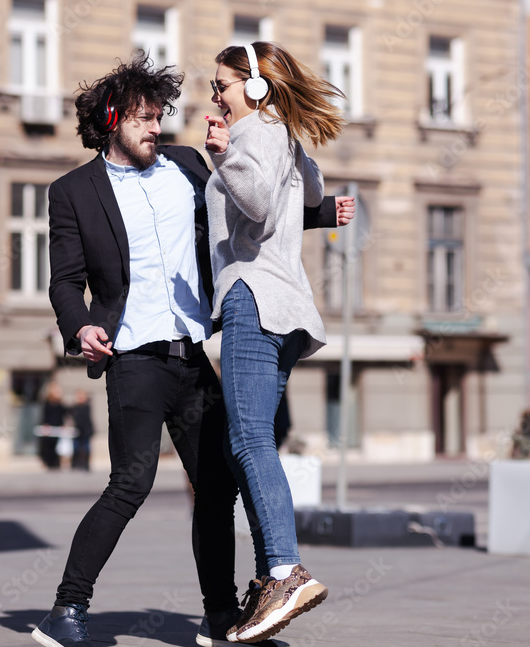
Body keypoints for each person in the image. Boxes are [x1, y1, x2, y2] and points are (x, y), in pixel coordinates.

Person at [32, 56, 351, 647]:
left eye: (159, 116)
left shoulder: (185, 163)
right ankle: (67, 609)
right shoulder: (72, 192)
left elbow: (246, 204)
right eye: (143, 118)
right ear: (110, 120)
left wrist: (321, 214)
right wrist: (78, 326)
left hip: (196, 352)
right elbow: (63, 280)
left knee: (216, 486)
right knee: (131, 482)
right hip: (134, 355)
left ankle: (221, 616)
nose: (157, 127)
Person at [203, 41, 349, 643]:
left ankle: (285, 571)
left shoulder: (250, 135)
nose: (215, 95)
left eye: (223, 85)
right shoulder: (282, 134)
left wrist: (221, 157)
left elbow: (259, 207)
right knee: (249, 442)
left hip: (253, 297)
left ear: (256, 86)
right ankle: (272, 579)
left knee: (249, 440)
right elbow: (311, 194)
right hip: (288, 308)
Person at [38, 383, 65, 470]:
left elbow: (62, 414)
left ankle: (56, 463)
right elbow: (45, 415)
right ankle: (49, 462)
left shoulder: (60, 403)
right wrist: (45, 424)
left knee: (57, 446)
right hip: (49, 427)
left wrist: (63, 424)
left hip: (57, 427)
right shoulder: (47, 402)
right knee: (48, 446)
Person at [70, 390, 94, 471]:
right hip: (77, 431)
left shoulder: (86, 406)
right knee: (76, 447)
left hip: (86, 431)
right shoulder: (75, 407)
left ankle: (86, 464)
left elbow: (83, 420)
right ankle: (76, 463)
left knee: (86, 447)